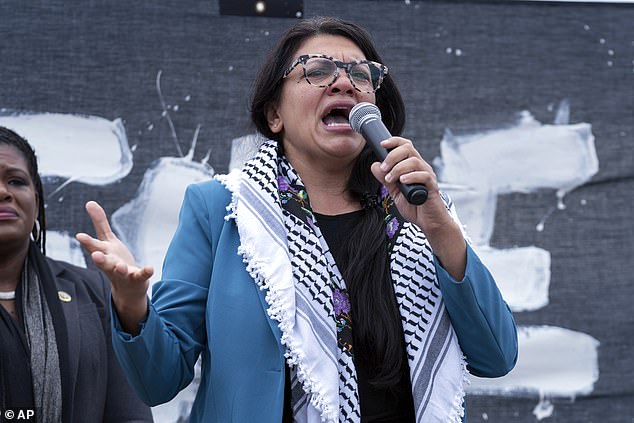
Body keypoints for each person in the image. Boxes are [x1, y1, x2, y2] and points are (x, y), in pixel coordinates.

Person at [76, 16, 518, 423]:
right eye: (318, 69)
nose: (344, 82)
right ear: (273, 115)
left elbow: (496, 357)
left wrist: (440, 229)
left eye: (362, 74)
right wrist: (132, 303)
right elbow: (158, 380)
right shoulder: (222, 209)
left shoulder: (419, 210)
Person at [0, 126, 153, 423]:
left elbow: (129, 412)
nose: (3, 192)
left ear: (36, 198)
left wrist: (133, 306)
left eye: (16, 181)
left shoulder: (90, 289)